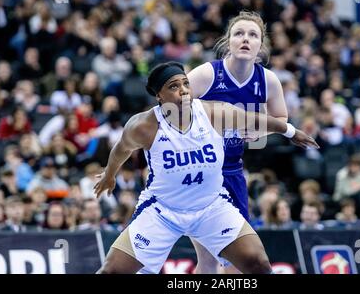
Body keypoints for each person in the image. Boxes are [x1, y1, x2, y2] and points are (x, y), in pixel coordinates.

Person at [94, 62, 318, 274]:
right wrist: (109, 175)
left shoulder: (213, 113)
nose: (183, 90)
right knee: (111, 271)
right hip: (163, 211)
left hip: (211, 207)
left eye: (185, 83)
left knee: (258, 263)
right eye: (174, 86)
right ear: (159, 96)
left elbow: (253, 119)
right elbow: (121, 149)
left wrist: (290, 131)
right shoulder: (144, 126)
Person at [185, 10, 319, 273]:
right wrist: (205, 122)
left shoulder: (267, 80)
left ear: (261, 45)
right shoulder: (207, 75)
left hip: (233, 171)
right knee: (211, 258)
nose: (245, 39)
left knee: (237, 260)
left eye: (253, 35)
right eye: (239, 33)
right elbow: (170, 109)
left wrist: (261, 131)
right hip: (200, 173)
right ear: (229, 41)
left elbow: (280, 116)